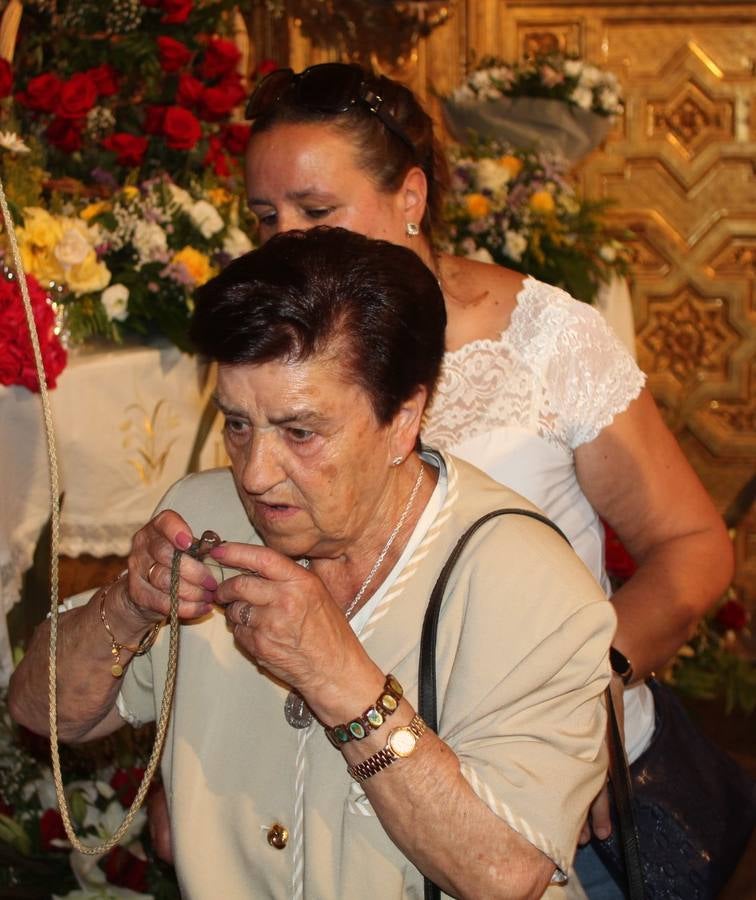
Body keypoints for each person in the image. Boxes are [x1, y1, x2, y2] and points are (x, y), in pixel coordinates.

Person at [239, 62, 735, 896]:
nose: (289, 238)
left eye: (318, 210)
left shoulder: (541, 338)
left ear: (411, 198)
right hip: (355, 773)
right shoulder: (268, 355)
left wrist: (588, 699)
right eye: (265, 215)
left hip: (547, 791)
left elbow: (692, 547)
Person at [9, 227, 615, 899]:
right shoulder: (203, 515)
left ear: (404, 418)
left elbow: (507, 876)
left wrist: (341, 681)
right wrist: (124, 605)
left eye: (301, 432)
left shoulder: (528, 582)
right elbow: (42, 714)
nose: (257, 474)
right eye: (237, 424)